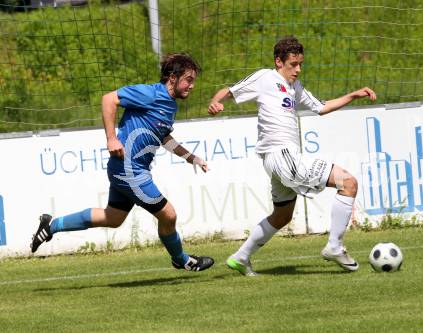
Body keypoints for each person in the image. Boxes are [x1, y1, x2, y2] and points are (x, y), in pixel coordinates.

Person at [208, 36, 376, 276]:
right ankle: (334, 246)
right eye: (292, 64)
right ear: (279, 62)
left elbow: (321, 107)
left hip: (278, 160)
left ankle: (241, 257)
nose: (297, 69)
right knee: (348, 183)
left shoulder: (294, 87)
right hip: (282, 155)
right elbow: (230, 91)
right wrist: (215, 102)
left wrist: (353, 95)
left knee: (282, 215)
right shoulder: (266, 77)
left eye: (300, 64)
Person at [31, 53, 214, 272]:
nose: (192, 86)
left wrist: (190, 158)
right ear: (172, 78)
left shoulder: (170, 105)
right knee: (169, 214)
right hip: (130, 170)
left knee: (113, 217)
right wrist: (111, 138)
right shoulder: (150, 94)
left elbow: (164, 137)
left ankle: (52, 226)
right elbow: (109, 99)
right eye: (189, 79)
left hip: (127, 170)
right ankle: (182, 260)